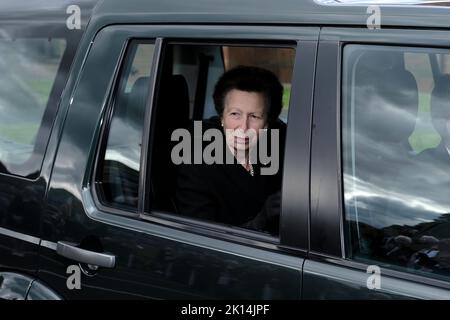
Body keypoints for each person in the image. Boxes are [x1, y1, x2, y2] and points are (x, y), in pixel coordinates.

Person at [174, 66, 285, 234]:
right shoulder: (198, 166)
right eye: (235, 114)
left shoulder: (277, 143)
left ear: (268, 123)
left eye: (254, 116)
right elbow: (201, 241)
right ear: (222, 118)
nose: (243, 127)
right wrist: (261, 220)